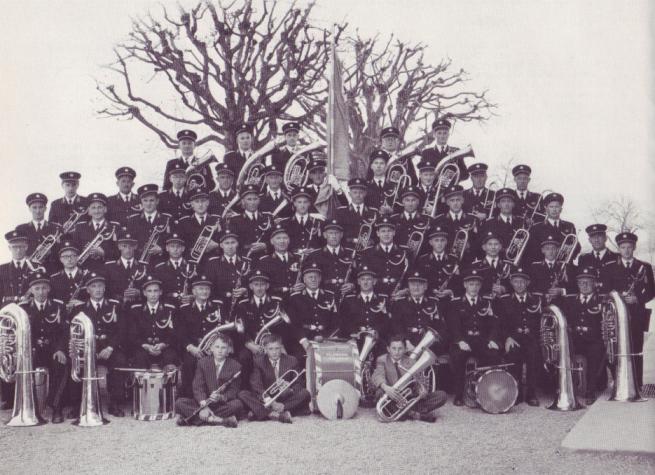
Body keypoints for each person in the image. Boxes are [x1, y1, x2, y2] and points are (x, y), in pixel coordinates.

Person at [69, 272, 127, 417]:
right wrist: (88, 350)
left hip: (110, 348)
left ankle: (114, 403)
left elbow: (122, 330)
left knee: (119, 361)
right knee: (78, 363)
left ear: (105, 287)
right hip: (88, 349)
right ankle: (78, 404)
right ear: (87, 290)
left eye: (100, 286)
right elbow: (75, 332)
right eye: (93, 286)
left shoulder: (115, 305)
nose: (98, 289)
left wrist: (110, 347)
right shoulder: (79, 309)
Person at [602, 232, 655, 388]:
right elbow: (606, 291)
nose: (626, 250)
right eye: (623, 247)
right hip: (617, 314)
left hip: (637, 314)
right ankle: (619, 382)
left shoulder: (644, 266)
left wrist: (638, 298)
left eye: (629, 247)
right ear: (619, 248)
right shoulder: (610, 267)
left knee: (637, 348)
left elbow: (652, 290)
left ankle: (637, 385)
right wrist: (619, 297)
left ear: (634, 247)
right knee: (617, 346)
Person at [18, 273, 68, 422]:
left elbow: (65, 332)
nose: (41, 292)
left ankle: (56, 406)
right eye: (37, 288)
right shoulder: (23, 308)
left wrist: (60, 349)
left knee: (61, 363)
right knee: (25, 366)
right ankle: (31, 406)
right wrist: (26, 351)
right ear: (31, 290)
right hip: (31, 350)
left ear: (49, 290)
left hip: (53, 350)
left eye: (44, 288)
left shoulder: (59, 306)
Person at [447, 268, 501, 406]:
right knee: (458, 357)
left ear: (480, 286)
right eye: (471, 284)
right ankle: (459, 394)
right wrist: (459, 341)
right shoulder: (456, 302)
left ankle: (486, 392)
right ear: (465, 285)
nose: (474, 287)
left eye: (477, 284)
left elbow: (494, 324)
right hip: (463, 341)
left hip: (481, 340)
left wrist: (493, 339)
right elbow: (453, 325)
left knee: (493, 355)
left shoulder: (487, 302)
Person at [372, 335, 447, 422]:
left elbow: (418, 380)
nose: (397, 352)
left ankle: (406, 412)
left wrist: (421, 388)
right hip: (391, 397)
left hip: (408, 398)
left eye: (400, 348)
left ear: (405, 349)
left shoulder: (410, 361)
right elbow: (378, 375)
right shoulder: (382, 360)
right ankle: (414, 414)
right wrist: (386, 388)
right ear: (388, 349)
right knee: (379, 393)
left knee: (442, 395)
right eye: (394, 348)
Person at [238, 333, 311, 423]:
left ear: (281, 348)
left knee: (305, 393)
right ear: (265, 349)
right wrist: (271, 402)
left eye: (277, 348)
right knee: (243, 394)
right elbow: (256, 385)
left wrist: (290, 390)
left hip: (285, 397)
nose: (274, 352)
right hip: (266, 398)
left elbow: (299, 383)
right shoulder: (258, 362)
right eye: (270, 349)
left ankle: (264, 411)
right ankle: (275, 414)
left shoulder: (292, 360)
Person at [175, 333, 243, 427]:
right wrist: (204, 407)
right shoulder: (202, 363)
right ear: (211, 348)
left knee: (238, 404)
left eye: (223, 348)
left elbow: (233, 390)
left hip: (221, 404)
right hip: (203, 402)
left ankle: (196, 419)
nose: (220, 350)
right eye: (217, 347)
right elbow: (198, 387)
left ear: (228, 350)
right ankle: (220, 421)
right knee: (179, 403)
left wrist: (221, 397)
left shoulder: (236, 366)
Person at [561, 267, 607, 404]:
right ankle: (566, 387)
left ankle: (590, 391)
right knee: (563, 351)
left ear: (594, 284)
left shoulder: (602, 301)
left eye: (588, 282)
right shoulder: (570, 300)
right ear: (577, 284)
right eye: (581, 282)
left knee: (594, 354)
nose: (584, 285)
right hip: (575, 339)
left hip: (594, 340)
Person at [177, 274, 228, 398]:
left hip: (214, 348)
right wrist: (191, 348)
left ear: (210, 291)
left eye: (206, 289)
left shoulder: (218, 307)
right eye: (200, 288)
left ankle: (217, 398)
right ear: (193, 291)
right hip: (194, 348)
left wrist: (215, 347)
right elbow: (180, 333)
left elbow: (224, 330)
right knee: (189, 364)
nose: (204, 291)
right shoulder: (184, 309)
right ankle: (188, 398)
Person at [498, 267, 543, 406]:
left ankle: (531, 394)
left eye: (522, 282)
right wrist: (507, 337)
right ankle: (515, 393)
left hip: (531, 338)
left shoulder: (537, 299)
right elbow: (500, 324)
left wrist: (537, 338)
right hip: (513, 338)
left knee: (534, 356)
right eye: (516, 282)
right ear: (511, 283)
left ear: (527, 283)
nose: (519, 285)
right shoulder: (504, 300)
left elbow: (542, 321)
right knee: (513, 357)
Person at [233, 270, 287, 376]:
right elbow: (240, 329)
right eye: (256, 285)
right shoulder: (242, 304)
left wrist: (277, 344)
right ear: (251, 286)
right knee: (244, 357)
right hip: (252, 342)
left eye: (262, 284)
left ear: (267, 286)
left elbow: (284, 327)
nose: (259, 288)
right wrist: (249, 344)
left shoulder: (277, 301)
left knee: (285, 357)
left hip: (274, 342)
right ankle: (246, 388)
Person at [390, 270, 448, 357]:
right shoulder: (400, 303)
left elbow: (440, 326)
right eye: (413, 285)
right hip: (408, 342)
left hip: (429, 344)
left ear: (425, 286)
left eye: (419, 285)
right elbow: (397, 326)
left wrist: (431, 343)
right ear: (408, 286)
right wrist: (405, 342)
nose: (416, 288)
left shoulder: (434, 302)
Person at [127, 275, 178, 370]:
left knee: (170, 358)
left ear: (160, 292)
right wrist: (145, 345)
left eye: (156, 291)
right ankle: (140, 384)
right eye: (149, 291)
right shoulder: (136, 310)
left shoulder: (170, 309)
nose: (153, 294)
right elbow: (132, 335)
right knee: (139, 358)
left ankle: (169, 384)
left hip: (165, 347)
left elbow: (174, 334)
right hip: (143, 347)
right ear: (144, 293)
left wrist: (163, 344)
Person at [288, 262, 338, 358]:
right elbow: (294, 324)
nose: (313, 279)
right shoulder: (295, 298)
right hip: (304, 340)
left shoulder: (330, 296)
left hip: (327, 338)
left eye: (316, 277)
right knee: (300, 359)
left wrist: (327, 338)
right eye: (310, 277)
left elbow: (336, 321)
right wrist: (303, 340)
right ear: (304, 280)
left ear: (320, 279)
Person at [340, 266, 391, 354]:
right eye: (363, 279)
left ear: (374, 282)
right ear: (358, 282)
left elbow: (388, 322)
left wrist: (377, 332)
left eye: (369, 279)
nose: (366, 282)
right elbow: (344, 322)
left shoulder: (383, 299)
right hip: (356, 341)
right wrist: (354, 333)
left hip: (377, 343)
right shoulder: (349, 300)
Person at [203, 228, 250, 317]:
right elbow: (209, 287)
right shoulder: (212, 263)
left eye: (233, 242)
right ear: (221, 245)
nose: (230, 246)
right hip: (220, 306)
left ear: (237, 244)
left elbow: (253, 283)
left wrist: (246, 290)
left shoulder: (246, 262)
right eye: (227, 243)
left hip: (244, 306)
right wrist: (225, 295)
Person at [525, 192, 579, 265]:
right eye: (551, 207)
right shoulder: (536, 228)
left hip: (564, 266)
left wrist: (565, 257)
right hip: (543, 267)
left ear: (561, 209)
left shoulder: (569, 226)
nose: (554, 210)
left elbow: (577, 247)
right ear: (546, 209)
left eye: (557, 207)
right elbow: (532, 250)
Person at [305, 219, 354, 298]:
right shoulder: (315, 255)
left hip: (347, 296)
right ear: (324, 235)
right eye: (330, 233)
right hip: (324, 297)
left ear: (341, 235)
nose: (334, 236)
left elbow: (358, 275)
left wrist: (352, 285)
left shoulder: (351, 254)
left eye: (336, 233)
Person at [361, 217, 408, 298]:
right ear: (377, 233)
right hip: (376, 295)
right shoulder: (368, 253)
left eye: (389, 231)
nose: (386, 234)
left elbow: (409, 275)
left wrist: (405, 290)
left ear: (394, 233)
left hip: (399, 296)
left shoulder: (404, 252)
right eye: (383, 231)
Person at [126, 184, 171, 266]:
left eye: (151, 200)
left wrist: (162, 249)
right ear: (141, 202)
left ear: (157, 201)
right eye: (145, 200)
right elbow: (129, 244)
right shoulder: (132, 220)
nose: (148, 204)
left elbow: (173, 242)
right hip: (139, 263)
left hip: (161, 263)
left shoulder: (167, 219)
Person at [72, 193, 119, 272]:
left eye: (99, 207)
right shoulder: (80, 227)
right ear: (89, 211)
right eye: (93, 208)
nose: (96, 211)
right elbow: (75, 250)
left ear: (105, 209)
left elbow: (119, 252)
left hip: (108, 269)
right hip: (86, 269)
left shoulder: (115, 227)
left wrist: (104, 253)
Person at [255, 224, 302, 300]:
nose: (282, 241)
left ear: (289, 240)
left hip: (298, 300)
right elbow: (263, 286)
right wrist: (289, 289)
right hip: (276, 302)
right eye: (278, 238)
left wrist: (302, 285)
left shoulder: (298, 259)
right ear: (272, 242)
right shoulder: (264, 262)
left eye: (285, 238)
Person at [16, 192, 61, 272]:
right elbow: (18, 250)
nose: (38, 211)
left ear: (45, 209)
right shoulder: (21, 229)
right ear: (29, 209)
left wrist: (50, 252)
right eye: (34, 207)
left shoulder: (56, 228)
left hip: (52, 269)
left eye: (40, 207)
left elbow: (61, 250)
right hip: (29, 269)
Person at [174, 187, 221, 263]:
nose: (200, 204)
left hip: (214, 262)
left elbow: (226, 241)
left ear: (208, 202)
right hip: (191, 261)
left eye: (203, 201)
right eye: (197, 201)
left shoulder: (217, 220)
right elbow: (179, 244)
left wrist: (217, 245)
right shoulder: (184, 222)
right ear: (192, 204)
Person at [415, 225, 462, 300]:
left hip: (449, 300)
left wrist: (450, 291)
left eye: (442, 240)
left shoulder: (454, 260)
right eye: (436, 240)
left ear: (446, 242)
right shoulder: (423, 260)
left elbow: (459, 282)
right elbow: (419, 281)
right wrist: (431, 290)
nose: (439, 243)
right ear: (431, 242)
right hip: (429, 299)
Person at [227, 185, 272, 260]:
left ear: (259, 200)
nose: (252, 202)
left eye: (255, 199)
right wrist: (250, 247)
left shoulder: (268, 217)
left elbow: (276, 238)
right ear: (243, 202)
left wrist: (266, 245)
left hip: (266, 259)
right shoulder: (234, 220)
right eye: (249, 199)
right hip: (245, 259)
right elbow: (233, 243)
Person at [477, 188, 525, 257]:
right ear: (498, 205)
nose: (506, 204)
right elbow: (483, 246)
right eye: (503, 201)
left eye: (509, 201)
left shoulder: (521, 222)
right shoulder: (489, 223)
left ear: (513, 204)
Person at [528, 235, 576, 302]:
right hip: (541, 304)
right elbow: (530, 288)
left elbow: (574, 287)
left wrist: (562, 291)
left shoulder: (565, 266)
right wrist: (544, 295)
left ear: (557, 250)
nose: (551, 252)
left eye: (553, 248)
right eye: (547, 249)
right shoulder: (535, 267)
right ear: (542, 250)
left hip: (561, 305)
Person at [419, 117, 469, 182]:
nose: (442, 136)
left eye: (445, 133)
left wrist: (450, 177)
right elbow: (422, 174)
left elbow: (465, 174)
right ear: (434, 135)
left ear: (448, 134)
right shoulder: (426, 153)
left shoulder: (456, 151)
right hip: (433, 190)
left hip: (451, 190)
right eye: (439, 133)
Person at [0, 229, 40, 304]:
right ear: (9, 248)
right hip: (9, 310)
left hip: (30, 310)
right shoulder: (1, 269)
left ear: (26, 247)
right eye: (15, 247)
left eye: (21, 246)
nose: (18, 250)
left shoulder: (36, 267)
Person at [104, 228, 143, 305]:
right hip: (117, 307)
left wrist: (140, 293)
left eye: (131, 246)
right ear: (119, 247)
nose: (128, 250)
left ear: (135, 247)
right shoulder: (109, 267)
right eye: (124, 246)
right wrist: (121, 298)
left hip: (138, 308)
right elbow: (106, 290)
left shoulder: (143, 267)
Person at [335, 178, 378, 247]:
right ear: (349, 194)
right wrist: (353, 240)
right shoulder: (341, 212)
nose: (358, 195)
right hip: (348, 249)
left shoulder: (373, 212)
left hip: (368, 250)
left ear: (365, 194)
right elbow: (337, 233)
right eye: (355, 192)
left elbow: (378, 233)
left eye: (361, 192)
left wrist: (372, 241)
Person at [278, 187, 322, 253]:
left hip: (313, 259)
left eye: (305, 202)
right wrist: (298, 251)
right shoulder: (284, 223)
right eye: (299, 202)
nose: (302, 205)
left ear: (309, 204)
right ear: (294, 203)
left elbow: (322, 243)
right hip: (292, 259)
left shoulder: (318, 222)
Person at [153, 233, 192, 305]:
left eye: (178, 247)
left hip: (188, 304)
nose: (175, 249)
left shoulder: (192, 266)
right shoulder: (159, 268)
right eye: (172, 246)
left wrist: (193, 296)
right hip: (168, 305)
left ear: (183, 249)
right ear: (167, 248)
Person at [391, 186, 431, 255]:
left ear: (418, 202)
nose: (410, 204)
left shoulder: (427, 220)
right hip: (397, 258)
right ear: (402, 202)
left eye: (413, 200)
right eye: (407, 200)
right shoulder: (393, 219)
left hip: (418, 261)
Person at [470, 231, 510, 299]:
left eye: (496, 244)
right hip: (483, 304)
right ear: (484, 247)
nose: (493, 247)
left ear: (500, 247)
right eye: (490, 244)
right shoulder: (475, 266)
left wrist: (504, 289)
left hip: (503, 304)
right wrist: (489, 287)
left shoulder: (508, 265)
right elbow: (470, 287)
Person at [577, 224, 618, 290]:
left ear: (605, 238)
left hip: (610, 297)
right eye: (593, 237)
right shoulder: (583, 259)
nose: (596, 240)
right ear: (589, 240)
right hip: (591, 298)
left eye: (599, 236)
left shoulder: (617, 257)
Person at [49, 240, 88, 308]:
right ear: (60, 259)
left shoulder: (87, 276)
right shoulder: (54, 279)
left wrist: (83, 304)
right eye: (65, 256)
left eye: (72, 256)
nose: (69, 259)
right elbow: (51, 301)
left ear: (77, 257)